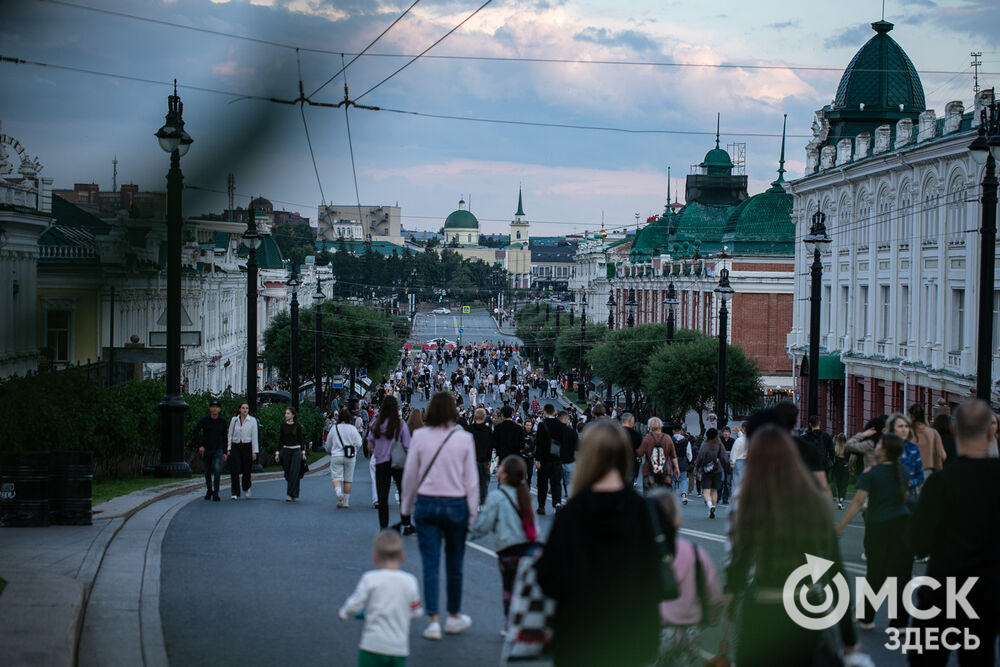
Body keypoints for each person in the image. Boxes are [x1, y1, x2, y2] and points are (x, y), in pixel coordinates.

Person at [726, 424, 858, 666]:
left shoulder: (752, 500)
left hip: (762, 607)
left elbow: (740, 560)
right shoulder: (814, 501)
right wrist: (849, 636)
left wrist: (731, 598)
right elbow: (834, 570)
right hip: (805, 608)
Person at [536, 420, 661, 667]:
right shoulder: (645, 511)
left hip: (580, 635)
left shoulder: (572, 513)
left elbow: (549, 580)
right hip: (631, 637)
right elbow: (655, 576)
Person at [908, 399, 1000, 666]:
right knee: (979, 657)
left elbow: (918, 542)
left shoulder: (940, 483)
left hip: (942, 589)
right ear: (990, 431)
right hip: (988, 592)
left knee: (925, 659)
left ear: (955, 430)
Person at [400, 392, 478, 641]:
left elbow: (410, 475)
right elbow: (472, 481)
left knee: (430, 564)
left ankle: (433, 620)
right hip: (456, 504)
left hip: (427, 502)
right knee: (455, 565)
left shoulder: (420, 436)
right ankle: (454, 616)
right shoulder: (464, 438)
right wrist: (472, 513)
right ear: (454, 410)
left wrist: (406, 508)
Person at [836, 433, 912, 630]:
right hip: (902, 525)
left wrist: (841, 525)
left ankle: (866, 617)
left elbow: (858, 502)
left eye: (879, 444)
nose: (876, 446)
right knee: (900, 574)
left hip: (878, 526)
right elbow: (904, 496)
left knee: (876, 573)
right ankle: (900, 623)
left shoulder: (871, 473)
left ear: (884, 451)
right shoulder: (902, 471)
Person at [649, 490, 724, 667]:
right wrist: (710, 619)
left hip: (650, 632)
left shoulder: (636, 555)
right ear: (678, 520)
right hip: (688, 632)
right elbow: (714, 597)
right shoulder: (696, 554)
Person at [338, 530, 424, 667]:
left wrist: (344, 614)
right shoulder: (410, 581)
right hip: (398, 647)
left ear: (375, 557)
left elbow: (354, 604)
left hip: (372, 645)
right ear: (402, 557)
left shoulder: (370, 579)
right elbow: (416, 611)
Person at [469, 455, 536, 623]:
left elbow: (484, 525)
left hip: (508, 548)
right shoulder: (525, 496)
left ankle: (510, 621)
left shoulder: (496, 497)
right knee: (523, 586)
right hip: (527, 547)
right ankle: (524, 617)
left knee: (509, 587)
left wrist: (468, 533)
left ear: (504, 475)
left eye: (500, 468)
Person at [367, 396, 413, 533]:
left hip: (381, 462)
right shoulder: (400, 424)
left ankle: (383, 526)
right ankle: (406, 523)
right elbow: (407, 446)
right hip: (398, 463)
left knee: (382, 496)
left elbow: (369, 442)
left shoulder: (376, 424)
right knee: (403, 493)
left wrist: (376, 451)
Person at [326, 408, 362, 508]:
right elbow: (359, 443)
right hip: (349, 456)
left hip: (336, 455)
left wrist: (329, 450)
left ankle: (338, 494)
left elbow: (328, 444)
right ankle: (346, 501)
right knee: (348, 479)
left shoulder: (334, 428)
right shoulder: (352, 429)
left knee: (336, 477)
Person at [191, 399, 226, 501]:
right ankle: (209, 489)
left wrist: (225, 451)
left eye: (216, 407)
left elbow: (225, 436)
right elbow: (196, 432)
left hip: (218, 449)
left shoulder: (222, 421)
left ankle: (216, 492)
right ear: (210, 408)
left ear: (219, 409)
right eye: (213, 407)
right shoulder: (204, 420)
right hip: (207, 449)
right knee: (207, 471)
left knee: (217, 469)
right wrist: (200, 445)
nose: (215, 409)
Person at [533, 404, 563, 515]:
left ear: (545, 412)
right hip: (556, 457)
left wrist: (538, 459)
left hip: (544, 458)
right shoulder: (560, 424)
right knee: (556, 483)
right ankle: (557, 504)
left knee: (542, 484)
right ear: (554, 412)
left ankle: (541, 506)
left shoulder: (542, 425)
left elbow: (539, 443)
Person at [692, 428, 730, 518]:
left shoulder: (704, 445)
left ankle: (710, 506)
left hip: (706, 470)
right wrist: (728, 470)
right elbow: (724, 458)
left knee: (706, 490)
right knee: (714, 490)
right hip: (718, 470)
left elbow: (700, 458)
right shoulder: (719, 445)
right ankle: (713, 506)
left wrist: (697, 468)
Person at [225, 402, 258, 500]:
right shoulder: (234, 420)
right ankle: (235, 492)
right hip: (236, 445)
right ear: (239, 409)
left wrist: (254, 451)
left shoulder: (252, 421)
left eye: (246, 408)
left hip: (247, 446)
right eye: (243, 408)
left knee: (246, 469)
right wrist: (228, 448)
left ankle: (246, 486)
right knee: (234, 469)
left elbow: (254, 437)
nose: (245, 410)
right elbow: (229, 435)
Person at [883, 413, 924, 492]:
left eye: (906, 426)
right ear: (892, 429)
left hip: (909, 494)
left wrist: (911, 483)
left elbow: (920, 476)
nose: (904, 430)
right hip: (888, 493)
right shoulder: (885, 447)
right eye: (900, 426)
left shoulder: (914, 448)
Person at [637, 417, 679, 493]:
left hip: (649, 471)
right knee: (666, 495)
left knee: (649, 495)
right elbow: (673, 455)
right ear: (661, 426)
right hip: (666, 470)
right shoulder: (667, 438)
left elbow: (639, 453)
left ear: (650, 426)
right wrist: (676, 468)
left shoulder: (647, 438)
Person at [907, 403, 947, 478]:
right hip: (928, 471)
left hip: (910, 471)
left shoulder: (907, 433)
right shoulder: (933, 433)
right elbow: (942, 455)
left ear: (911, 416)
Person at [276, 407, 306, 502]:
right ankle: (293, 491)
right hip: (286, 451)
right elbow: (280, 440)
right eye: (285, 413)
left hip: (296, 451)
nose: (286, 415)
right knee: (287, 472)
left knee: (294, 472)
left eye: (288, 413)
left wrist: (303, 453)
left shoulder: (297, 426)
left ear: (293, 415)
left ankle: (290, 494)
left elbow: (301, 440)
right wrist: (277, 453)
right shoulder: (283, 426)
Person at [467, 408, 495, 506]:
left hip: (472, 460)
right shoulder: (488, 430)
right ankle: (483, 501)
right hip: (484, 459)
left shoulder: (469, 429)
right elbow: (490, 446)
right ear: (484, 417)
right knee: (484, 483)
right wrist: (489, 460)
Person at [557, 410, 579, 497]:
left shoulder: (554, 432)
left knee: (557, 482)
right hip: (569, 459)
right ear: (566, 419)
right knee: (569, 482)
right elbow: (577, 447)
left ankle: (557, 502)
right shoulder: (572, 432)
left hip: (557, 459)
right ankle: (568, 495)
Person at [621, 412, 644, 487]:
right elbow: (640, 451)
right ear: (631, 421)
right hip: (631, 462)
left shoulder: (615, 432)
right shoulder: (636, 434)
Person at [830, 433, 851, 509]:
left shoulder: (835, 447)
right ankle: (841, 502)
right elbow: (849, 458)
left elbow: (831, 456)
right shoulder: (847, 448)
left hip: (836, 466)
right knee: (844, 485)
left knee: (836, 483)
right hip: (844, 466)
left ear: (837, 440)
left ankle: (835, 495)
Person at [729, 423, 748, 494]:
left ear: (743, 428)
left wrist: (732, 463)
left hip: (739, 462)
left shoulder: (738, 440)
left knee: (737, 482)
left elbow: (734, 452)